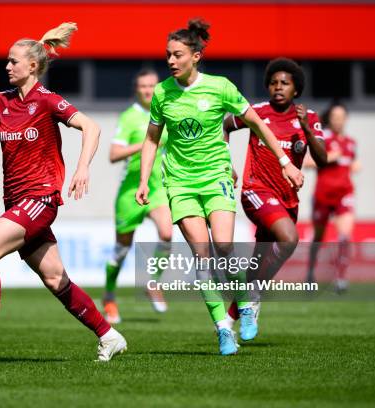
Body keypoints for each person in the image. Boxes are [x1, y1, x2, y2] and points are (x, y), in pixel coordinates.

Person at [0, 22, 127, 362]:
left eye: (13, 61)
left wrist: (82, 167)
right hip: (19, 202)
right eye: (7, 61)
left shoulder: (48, 102)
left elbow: (92, 126)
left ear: (32, 66)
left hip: (41, 198)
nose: (7, 67)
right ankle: (109, 335)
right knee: (56, 279)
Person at [136, 20, 304, 355]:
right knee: (201, 255)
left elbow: (255, 122)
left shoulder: (220, 87)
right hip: (180, 184)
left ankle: (244, 301)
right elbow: (152, 140)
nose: (170, 61)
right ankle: (223, 329)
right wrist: (144, 179)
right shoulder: (163, 94)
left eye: (178, 55)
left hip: (215, 178)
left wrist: (285, 162)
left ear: (195, 56)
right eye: (167, 54)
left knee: (224, 247)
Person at [223, 58, 327, 337]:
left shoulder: (310, 118)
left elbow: (322, 158)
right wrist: (227, 163)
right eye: (273, 83)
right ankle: (254, 294)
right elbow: (224, 125)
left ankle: (230, 320)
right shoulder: (257, 112)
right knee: (289, 238)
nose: (277, 87)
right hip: (256, 191)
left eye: (285, 83)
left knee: (258, 263)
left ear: (296, 88)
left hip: (287, 199)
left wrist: (305, 128)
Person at [103, 69, 172, 324]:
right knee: (121, 251)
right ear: (137, 89)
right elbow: (113, 154)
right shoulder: (129, 117)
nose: (148, 90)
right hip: (130, 192)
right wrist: (146, 143)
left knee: (167, 234)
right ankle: (109, 296)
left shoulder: (166, 113)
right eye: (143, 86)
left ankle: (152, 282)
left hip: (157, 189)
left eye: (152, 86)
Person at [306, 102, 359, 292]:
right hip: (323, 195)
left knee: (344, 237)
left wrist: (354, 166)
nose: (338, 120)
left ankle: (341, 278)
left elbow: (350, 163)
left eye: (341, 117)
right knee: (318, 238)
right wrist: (328, 157)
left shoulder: (351, 143)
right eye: (334, 117)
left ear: (345, 119)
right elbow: (307, 162)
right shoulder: (324, 138)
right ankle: (310, 272)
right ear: (329, 119)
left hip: (344, 194)